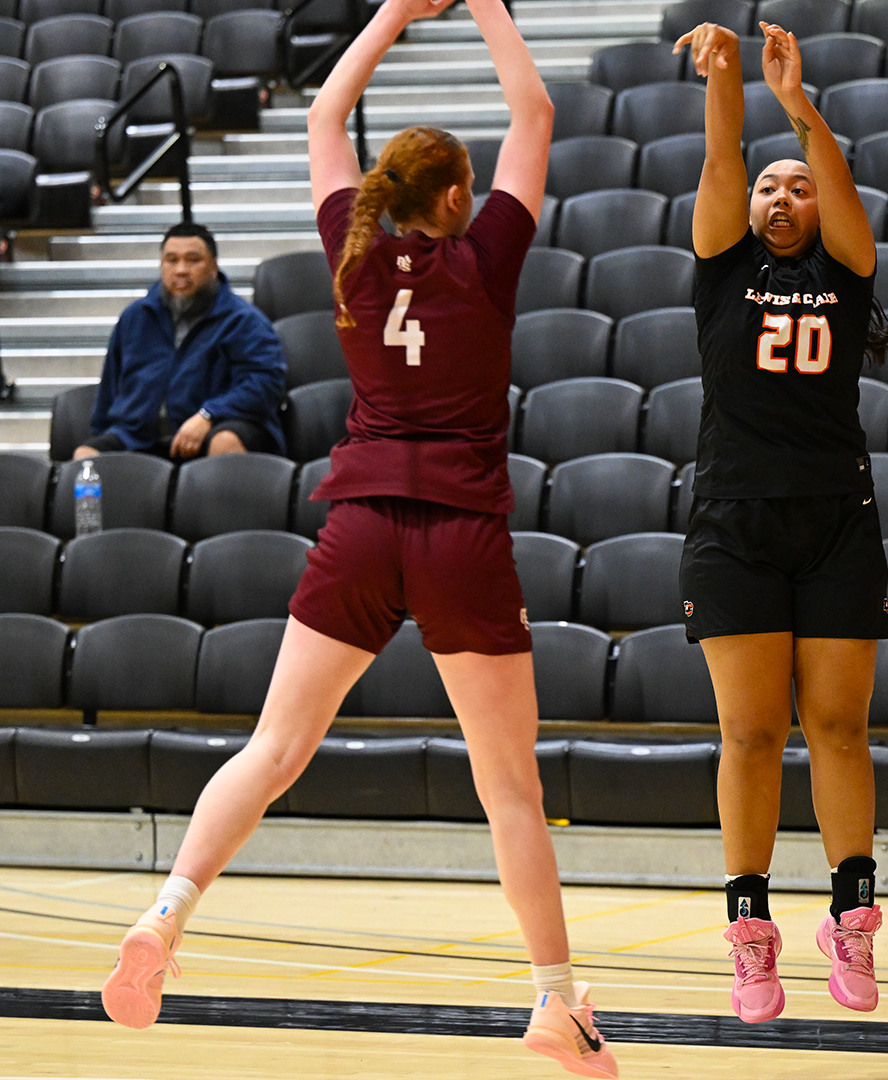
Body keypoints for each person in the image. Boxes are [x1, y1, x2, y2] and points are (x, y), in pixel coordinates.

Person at [97, 2, 617, 1078]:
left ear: (389, 197)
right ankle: (555, 1004)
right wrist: (482, 5)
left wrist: (390, 10)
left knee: (273, 751)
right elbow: (537, 107)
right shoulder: (487, 259)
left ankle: (163, 916)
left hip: (362, 523)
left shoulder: (353, 251)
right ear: (461, 199)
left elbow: (327, 111)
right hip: (460, 531)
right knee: (508, 783)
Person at [675, 20, 888, 1025]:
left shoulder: (848, 268)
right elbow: (722, 158)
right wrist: (726, 78)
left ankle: (851, 915)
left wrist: (799, 108)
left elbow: (840, 195)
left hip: (836, 519)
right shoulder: (721, 264)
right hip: (734, 522)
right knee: (752, 733)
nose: (783, 195)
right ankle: (751, 933)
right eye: (771, 186)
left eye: (795, 183)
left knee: (839, 727)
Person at [77, 223, 287, 459]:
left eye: (193, 260)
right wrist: (101, 434)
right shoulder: (135, 317)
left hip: (218, 426)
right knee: (86, 459)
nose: (181, 270)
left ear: (214, 267)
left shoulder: (244, 320)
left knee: (225, 442)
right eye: (172, 260)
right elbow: (110, 385)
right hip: (138, 437)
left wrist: (209, 414)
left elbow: (265, 383)